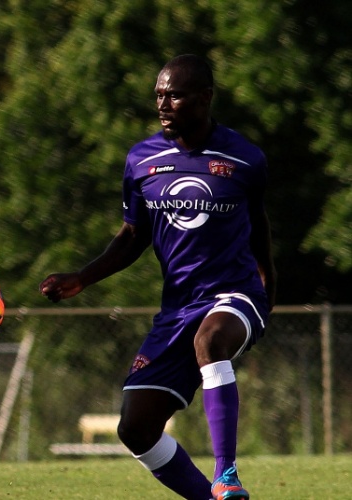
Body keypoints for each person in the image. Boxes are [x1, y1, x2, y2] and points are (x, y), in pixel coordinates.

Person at [40, 54, 275, 500]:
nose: (163, 105)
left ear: (205, 98)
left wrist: (268, 283)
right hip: (177, 308)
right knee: (136, 426)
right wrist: (82, 278)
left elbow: (258, 223)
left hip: (235, 294)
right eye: (159, 96)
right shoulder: (142, 161)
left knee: (210, 341)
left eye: (175, 95)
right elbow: (133, 236)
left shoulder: (244, 158)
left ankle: (226, 476)